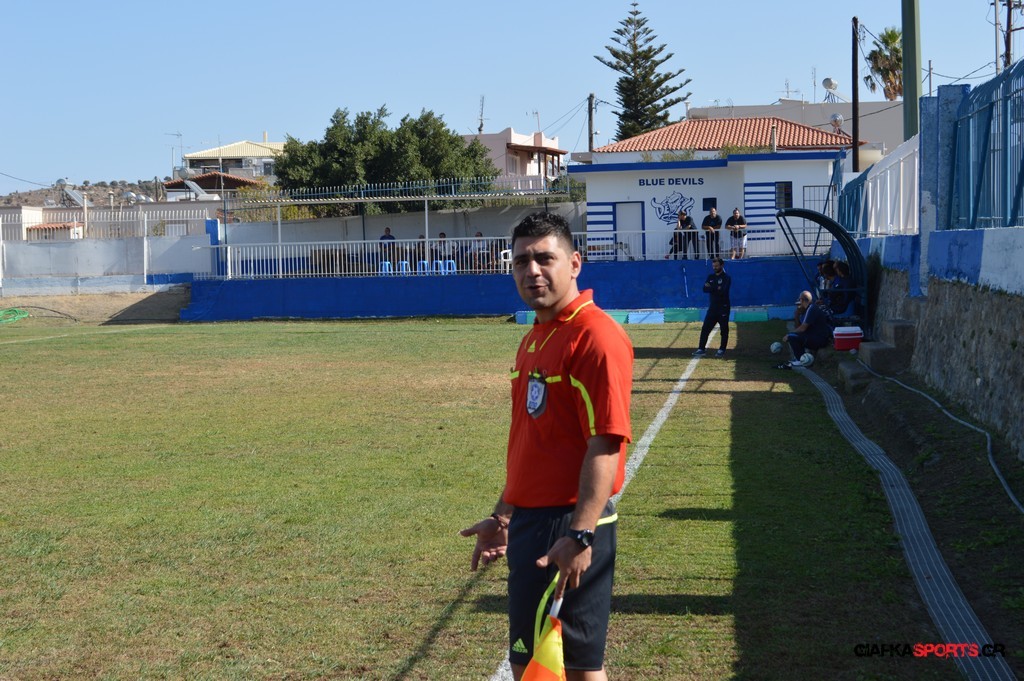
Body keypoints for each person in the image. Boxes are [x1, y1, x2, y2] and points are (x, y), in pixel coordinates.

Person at [460, 212, 633, 681]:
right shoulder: (536, 337)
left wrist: (580, 534)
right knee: (533, 663)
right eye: (521, 261)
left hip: (567, 522)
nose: (531, 271)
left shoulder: (595, 337)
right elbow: (534, 442)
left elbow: (606, 443)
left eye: (544, 258)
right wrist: (504, 516)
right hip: (531, 525)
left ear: (574, 263)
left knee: (572, 668)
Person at [693, 257, 731, 358]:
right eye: (713, 266)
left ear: (722, 265)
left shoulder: (726, 278)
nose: (715, 268)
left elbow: (722, 291)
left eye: (717, 266)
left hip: (723, 307)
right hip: (713, 307)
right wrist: (715, 287)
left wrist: (712, 287)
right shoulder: (710, 276)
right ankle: (701, 349)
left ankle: (721, 350)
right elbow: (705, 289)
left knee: (724, 330)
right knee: (705, 328)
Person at [784, 290, 833, 365]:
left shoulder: (812, 309)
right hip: (814, 336)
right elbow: (799, 328)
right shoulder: (806, 310)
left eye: (800, 300)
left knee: (791, 336)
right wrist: (797, 316)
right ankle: (802, 358)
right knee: (793, 336)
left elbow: (802, 328)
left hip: (820, 339)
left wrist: (789, 334)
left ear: (802, 300)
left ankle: (800, 360)